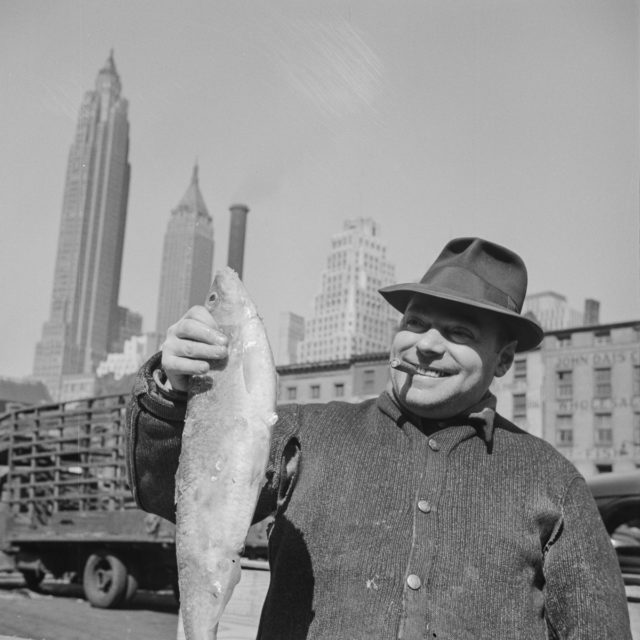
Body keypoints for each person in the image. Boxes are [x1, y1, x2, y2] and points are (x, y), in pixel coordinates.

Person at [126, 237, 631, 639]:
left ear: (502, 360)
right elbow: (167, 490)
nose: (427, 345)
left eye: (459, 333)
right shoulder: (306, 433)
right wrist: (172, 392)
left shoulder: (551, 481)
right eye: (416, 322)